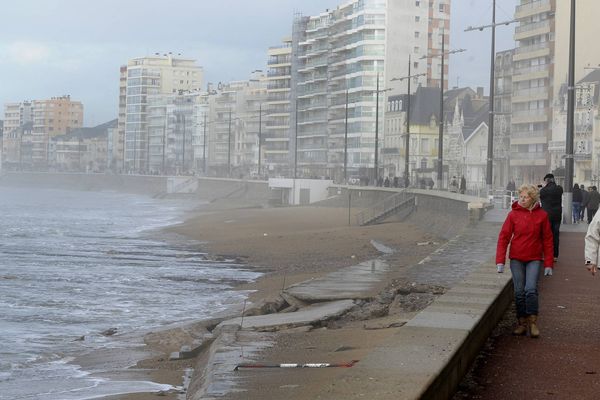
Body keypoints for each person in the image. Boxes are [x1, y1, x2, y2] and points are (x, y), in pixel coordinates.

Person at [496, 184, 554, 338]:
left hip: (534, 258)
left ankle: (533, 322)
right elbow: (504, 238)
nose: (522, 199)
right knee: (519, 291)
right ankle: (521, 323)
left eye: (525, 197)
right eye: (520, 196)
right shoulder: (512, 215)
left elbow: (548, 240)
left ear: (532, 198)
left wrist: (548, 263)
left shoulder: (542, 215)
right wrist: (500, 261)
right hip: (516, 258)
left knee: (530, 290)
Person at [539, 173, 563, 260]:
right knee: (555, 235)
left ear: (546, 180)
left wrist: (542, 187)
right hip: (557, 215)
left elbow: (540, 198)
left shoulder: (543, 191)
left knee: (545, 235)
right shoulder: (559, 189)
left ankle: (545, 255)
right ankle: (555, 256)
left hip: (546, 216)